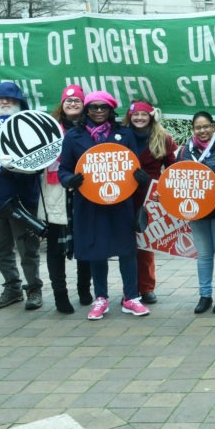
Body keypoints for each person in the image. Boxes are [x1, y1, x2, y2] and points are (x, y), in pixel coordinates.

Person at [58, 90, 151, 320]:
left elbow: (133, 164)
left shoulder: (124, 134)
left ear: (111, 110)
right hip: (89, 203)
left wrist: (140, 178)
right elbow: (64, 169)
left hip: (120, 201)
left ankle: (131, 297)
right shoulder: (74, 136)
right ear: (86, 110)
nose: (98, 111)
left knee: (127, 249)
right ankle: (101, 298)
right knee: (96, 249)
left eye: (103, 107)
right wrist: (70, 180)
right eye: (93, 107)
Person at [0, 82, 44, 311]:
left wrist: (18, 168)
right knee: (1, 249)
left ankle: (34, 288)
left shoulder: (29, 125)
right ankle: (12, 287)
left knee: (28, 248)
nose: (5, 102)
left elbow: (40, 162)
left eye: (10, 99)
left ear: (19, 103)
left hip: (21, 200)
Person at [177, 111, 215, 314]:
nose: (202, 131)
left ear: (213, 126)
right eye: (198, 127)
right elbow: (176, 178)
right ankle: (204, 296)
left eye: (206, 126)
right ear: (193, 129)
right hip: (196, 211)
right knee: (203, 255)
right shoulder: (185, 151)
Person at [38, 85, 93, 313]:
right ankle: (60, 294)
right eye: (68, 101)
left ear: (83, 105)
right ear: (62, 104)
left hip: (84, 190)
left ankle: (84, 289)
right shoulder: (48, 129)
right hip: (55, 191)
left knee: (86, 243)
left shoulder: (92, 129)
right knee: (55, 246)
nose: (72, 104)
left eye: (77, 101)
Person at [122, 100, 177, 304]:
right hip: (123, 195)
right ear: (130, 116)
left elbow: (174, 169)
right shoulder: (121, 135)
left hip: (148, 197)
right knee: (126, 246)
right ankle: (130, 289)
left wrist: (158, 185)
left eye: (143, 115)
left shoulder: (163, 138)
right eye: (135, 115)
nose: (139, 118)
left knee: (145, 244)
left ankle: (146, 287)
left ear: (151, 116)